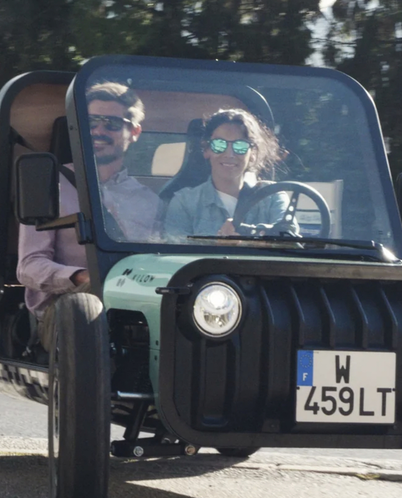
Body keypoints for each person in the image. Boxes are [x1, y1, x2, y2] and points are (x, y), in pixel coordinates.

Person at [16, 82, 159, 343]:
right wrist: (83, 277)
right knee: (95, 296)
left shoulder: (150, 201)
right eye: (92, 122)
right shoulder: (51, 186)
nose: (99, 131)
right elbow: (28, 267)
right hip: (65, 313)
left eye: (112, 124)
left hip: (137, 311)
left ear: (135, 131)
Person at [164, 108, 287, 238]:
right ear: (206, 150)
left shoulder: (272, 196)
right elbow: (175, 253)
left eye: (240, 146)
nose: (229, 154)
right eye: (219, 144)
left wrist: (248, 232)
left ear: (253, 154)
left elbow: (291, 241)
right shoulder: (185, 202)